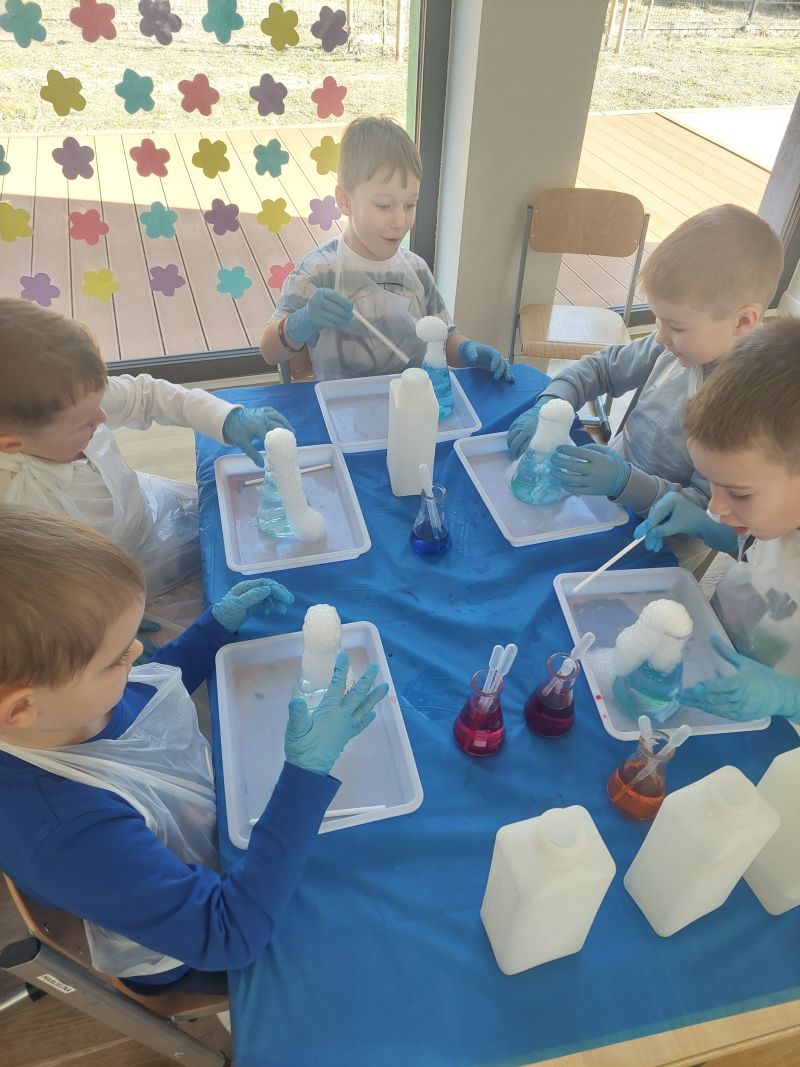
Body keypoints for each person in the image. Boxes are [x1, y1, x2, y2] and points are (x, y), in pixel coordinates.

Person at [0, 506, 388, 993]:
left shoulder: (59, 711)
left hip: (195, 834)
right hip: (195, 948)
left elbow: (148, 692)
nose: (137, 652)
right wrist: (306, 773)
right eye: (116, 658)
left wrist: (213, 630)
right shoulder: (69, 833)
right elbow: (229, 934)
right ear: (20, 709)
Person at [506, 205, 783, 567]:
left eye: (677, 326)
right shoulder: (668, 346)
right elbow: (601, 369)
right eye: (658, 320)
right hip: (608, 499)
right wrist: (553, 400)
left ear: (742, 321)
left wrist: (626, 483)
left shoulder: (747, 410)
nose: (661, 336)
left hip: (662, 544)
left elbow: (709, 510)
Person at [0, 298, 293, 603]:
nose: (102, 418)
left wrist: (224, 417)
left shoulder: (72, 396)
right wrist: (105, 619)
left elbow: (147, 395)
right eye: (84, 423)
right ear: (11, 443)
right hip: (111, 583)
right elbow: (46, 593)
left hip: (153, 509)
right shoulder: (17, 507)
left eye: (99, 405)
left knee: (232, 529)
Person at [260, 116, 514, 384]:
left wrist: (466, 351)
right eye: (383, 205)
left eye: (410, 205)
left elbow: (443, 337)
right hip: (342, 405)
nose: (400, 221)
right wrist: (301, 322)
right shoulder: (318, 271)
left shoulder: (416, 270)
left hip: (412, 400)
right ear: (345, 200)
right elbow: (269, 351)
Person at [635, 319, 800, 725]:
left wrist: (787, 696)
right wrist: (700, 525)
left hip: (776, 726)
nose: (715, 506)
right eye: (712, 483)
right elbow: (759, 558)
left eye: (739, 493)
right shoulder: (775, 513)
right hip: (716, 655)